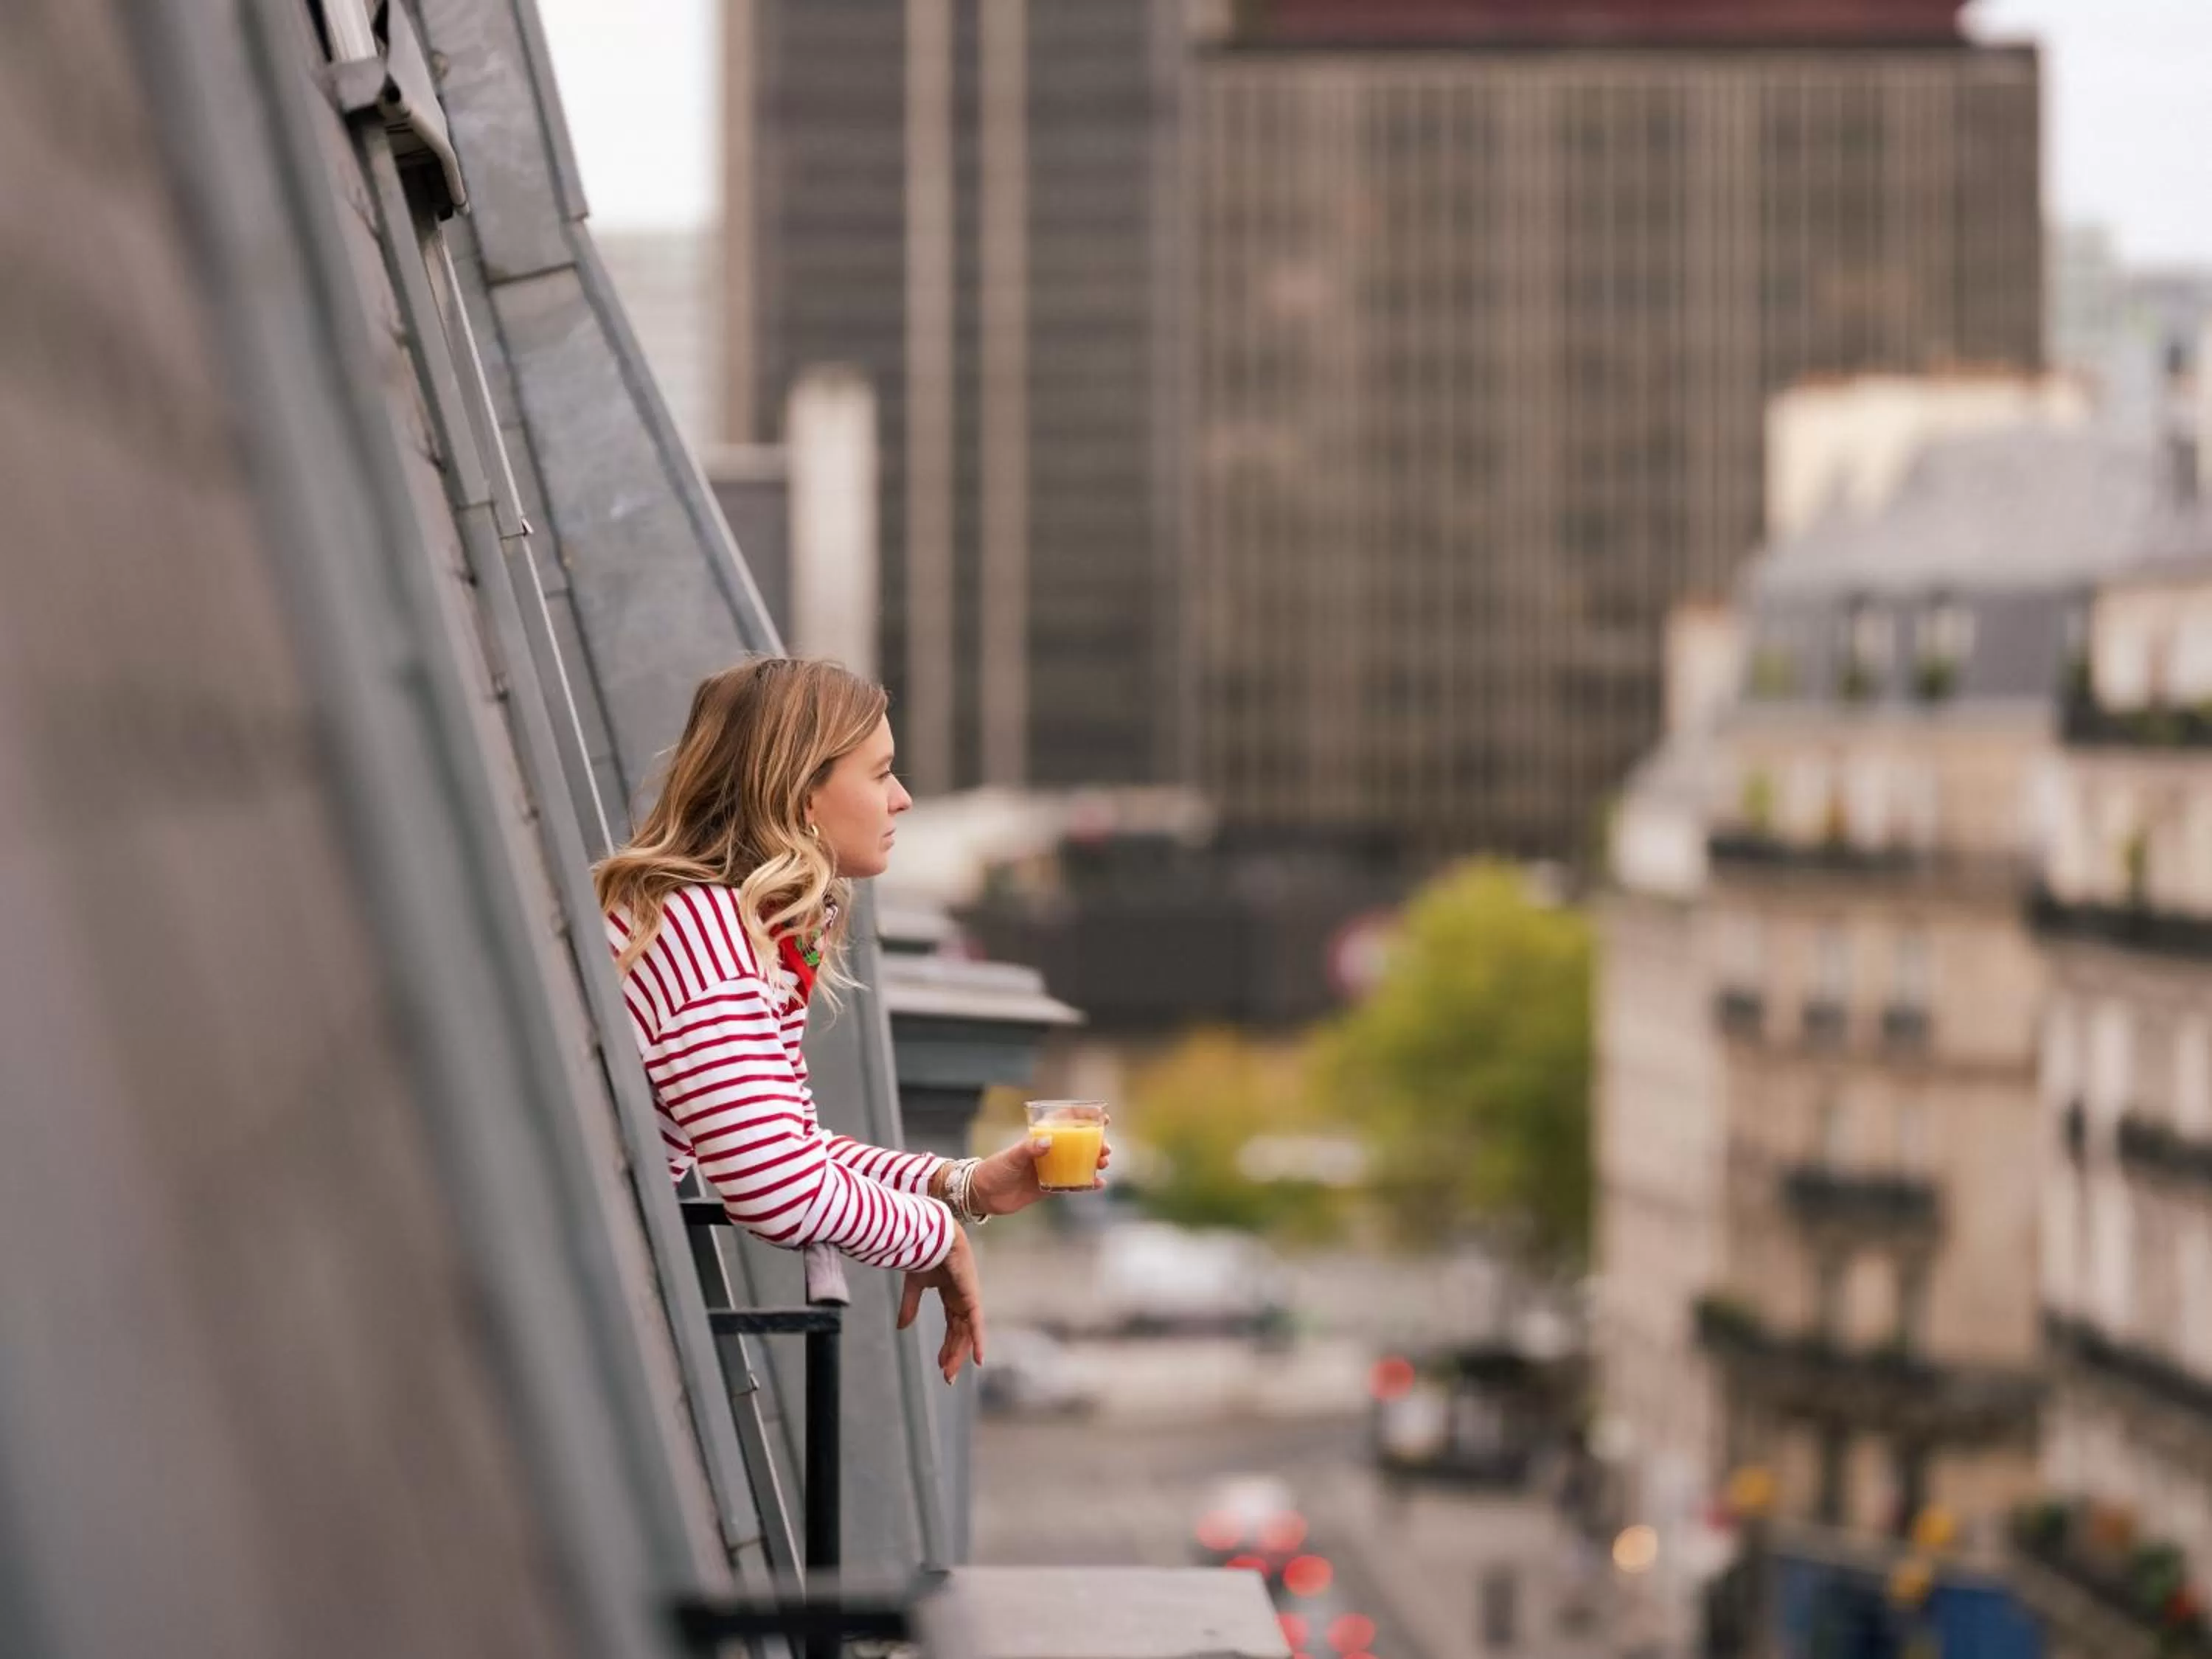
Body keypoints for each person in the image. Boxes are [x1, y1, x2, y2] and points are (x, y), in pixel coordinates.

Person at [594, 657, 1105, 1384]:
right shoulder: (706, 939)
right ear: (801, 792)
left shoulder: (715, 921)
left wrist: (963, 1188)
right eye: (881, 773)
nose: (901, 799)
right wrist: (935, 1236)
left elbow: (787, 1146)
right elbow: (781, 1189)